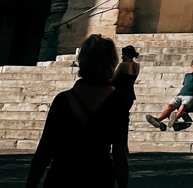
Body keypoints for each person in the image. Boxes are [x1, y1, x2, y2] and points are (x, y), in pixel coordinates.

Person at [25, 33, 130, 188]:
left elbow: (45, 150)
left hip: (61, 177)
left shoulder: (62, 99)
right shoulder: (119, 100)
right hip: (98, 177)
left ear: (83, 61)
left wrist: (30, 185)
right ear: (112, 62)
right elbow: (120, 152)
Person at [145, 58, 193, 131]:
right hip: (180, 95)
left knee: (183, 106)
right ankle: (158, 120)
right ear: (192, 66)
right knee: (170, 106)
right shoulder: (187, 75)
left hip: (191, 96)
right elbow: (184, 85)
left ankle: (174, 119)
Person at [112, 45, 140, 110]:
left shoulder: (123, 65)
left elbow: (114, 78)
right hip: (130, 94)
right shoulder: (137, 66)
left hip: (120, 93)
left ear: (125, 54)